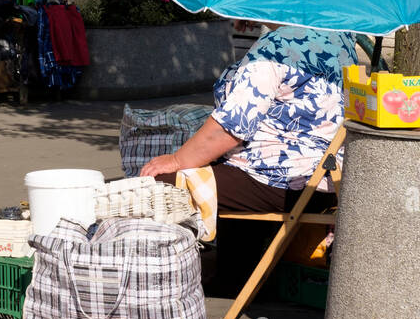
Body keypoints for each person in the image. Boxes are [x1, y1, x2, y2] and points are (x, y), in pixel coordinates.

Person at [141, 26, 358, 213]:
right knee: (212, 165)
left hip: (279, 181)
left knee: (156, 187)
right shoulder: (342, 38)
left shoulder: (277, 45)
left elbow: (230, 129)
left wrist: (177, 161)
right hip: (327, 181)